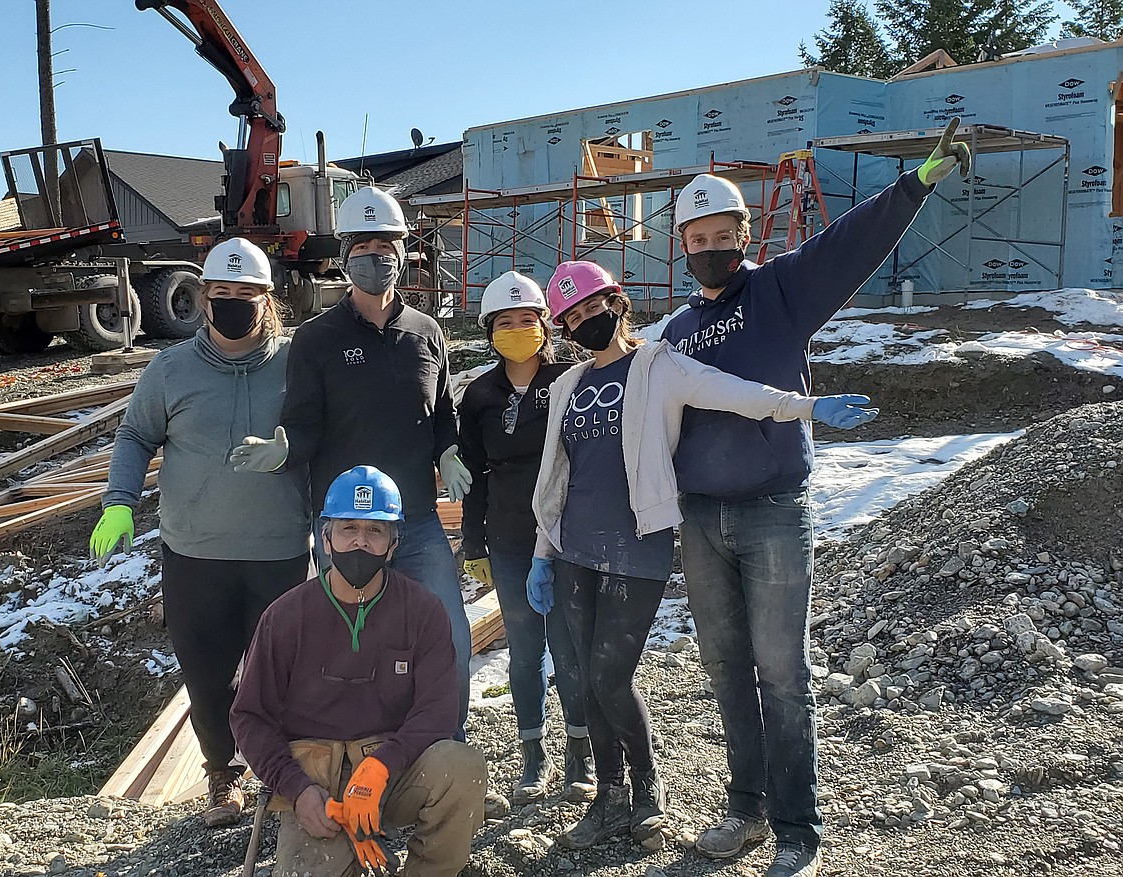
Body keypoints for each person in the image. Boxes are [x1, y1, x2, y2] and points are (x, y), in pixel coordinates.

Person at [660, 120, 970, 877]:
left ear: (742, 232)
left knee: (782, 670)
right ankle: (745, 805)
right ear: (681, 244)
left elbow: (849, 245)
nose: (710, 245)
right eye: (696, 235)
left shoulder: (779, 292)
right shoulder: (672, 332)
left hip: (772, 514)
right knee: (727, 667)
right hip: (701, 519)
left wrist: (913, 184)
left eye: (722, 231)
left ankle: (799, 824)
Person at [524, 260, 876, 851]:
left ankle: (646, 793)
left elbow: (738, 396)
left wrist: (808, 408)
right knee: (585, 677)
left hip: (636, 545)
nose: (586, 322)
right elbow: (557, 477)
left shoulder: (659, 366)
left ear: (618, 302)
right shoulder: (566, 385)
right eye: (573, 317)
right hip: (574, 548)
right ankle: (607, 799)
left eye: (593, 308)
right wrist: (542, 550)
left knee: (612, 675)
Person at [230, 186, 474, 738]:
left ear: (405, 251)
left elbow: (441, 415)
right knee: (354, 651)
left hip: (414, 521)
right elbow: (304, 421)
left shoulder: (426, 332)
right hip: (344, 529)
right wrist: (284, 447)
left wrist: (449, 449)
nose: (375, 256)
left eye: (386, 245)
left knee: (450, 643)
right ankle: (358, 759)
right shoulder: (317, 339)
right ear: (344, 256)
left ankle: (443, 753)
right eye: (363, 245)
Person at [89, 238, 311, 828]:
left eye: (247, 294)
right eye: (222, 294)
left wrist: (296, 449)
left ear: (269, 299)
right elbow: (135, 436)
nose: (234, 303)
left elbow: (328, 431)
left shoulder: (298, 363)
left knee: (283, 672)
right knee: (208, 675)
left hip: (280, 549)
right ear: (205, 298)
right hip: (195, 553)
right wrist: (119, 502)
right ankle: (222, 777)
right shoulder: (170, 370)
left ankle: (285, 776)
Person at [231, 466, 487, 877]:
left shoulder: (422, 610)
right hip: (315, 779)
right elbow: (249, 717)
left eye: (375, 531)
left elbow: (439, 709)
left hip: (392, 768)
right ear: (326, 537)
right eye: (348, 528)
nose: (360, 543)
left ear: (393, 544)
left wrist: (382, 765)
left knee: (462, 768)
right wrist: (298, 792)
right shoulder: (285, 617)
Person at [458, 270, 593, 805]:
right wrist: (473, 544)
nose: (518, 329)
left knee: (569, 647)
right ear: (491, 330)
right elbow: (470, 474)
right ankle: (533, 757)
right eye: (506, 322)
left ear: (545, 325)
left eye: (528, 320)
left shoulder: (570, 383)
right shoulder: (479, 396)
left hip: (566, 535)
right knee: (523, 650)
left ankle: (579, 757)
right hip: (508, 536)